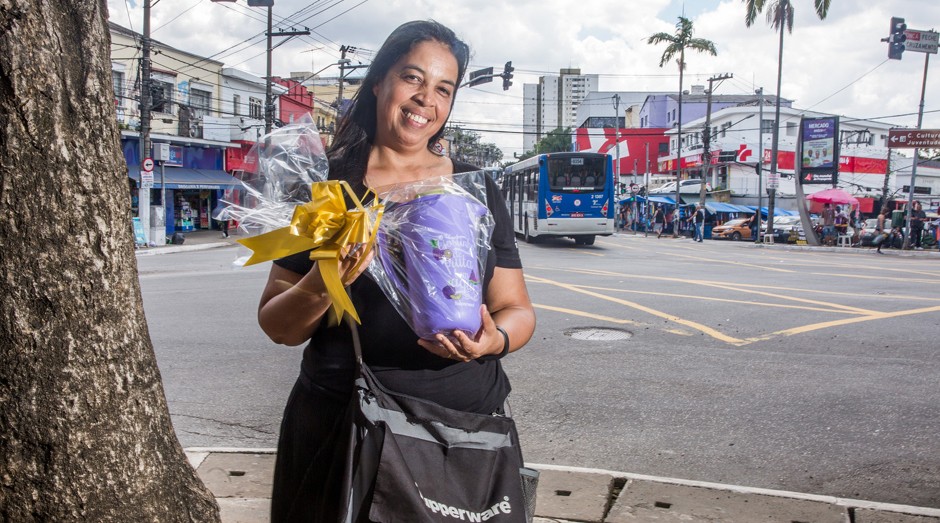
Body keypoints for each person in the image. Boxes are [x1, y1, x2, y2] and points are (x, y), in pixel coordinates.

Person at [257, 21, 537, 522]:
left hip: (460, 431)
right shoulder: (327, 185)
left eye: (443, 89)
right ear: (380, 81)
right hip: (344, 427)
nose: (424, 99)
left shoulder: (474, 189)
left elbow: (516, 309)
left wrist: (494, 341)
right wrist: (325, 281)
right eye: (413, 78)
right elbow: (278, 325)